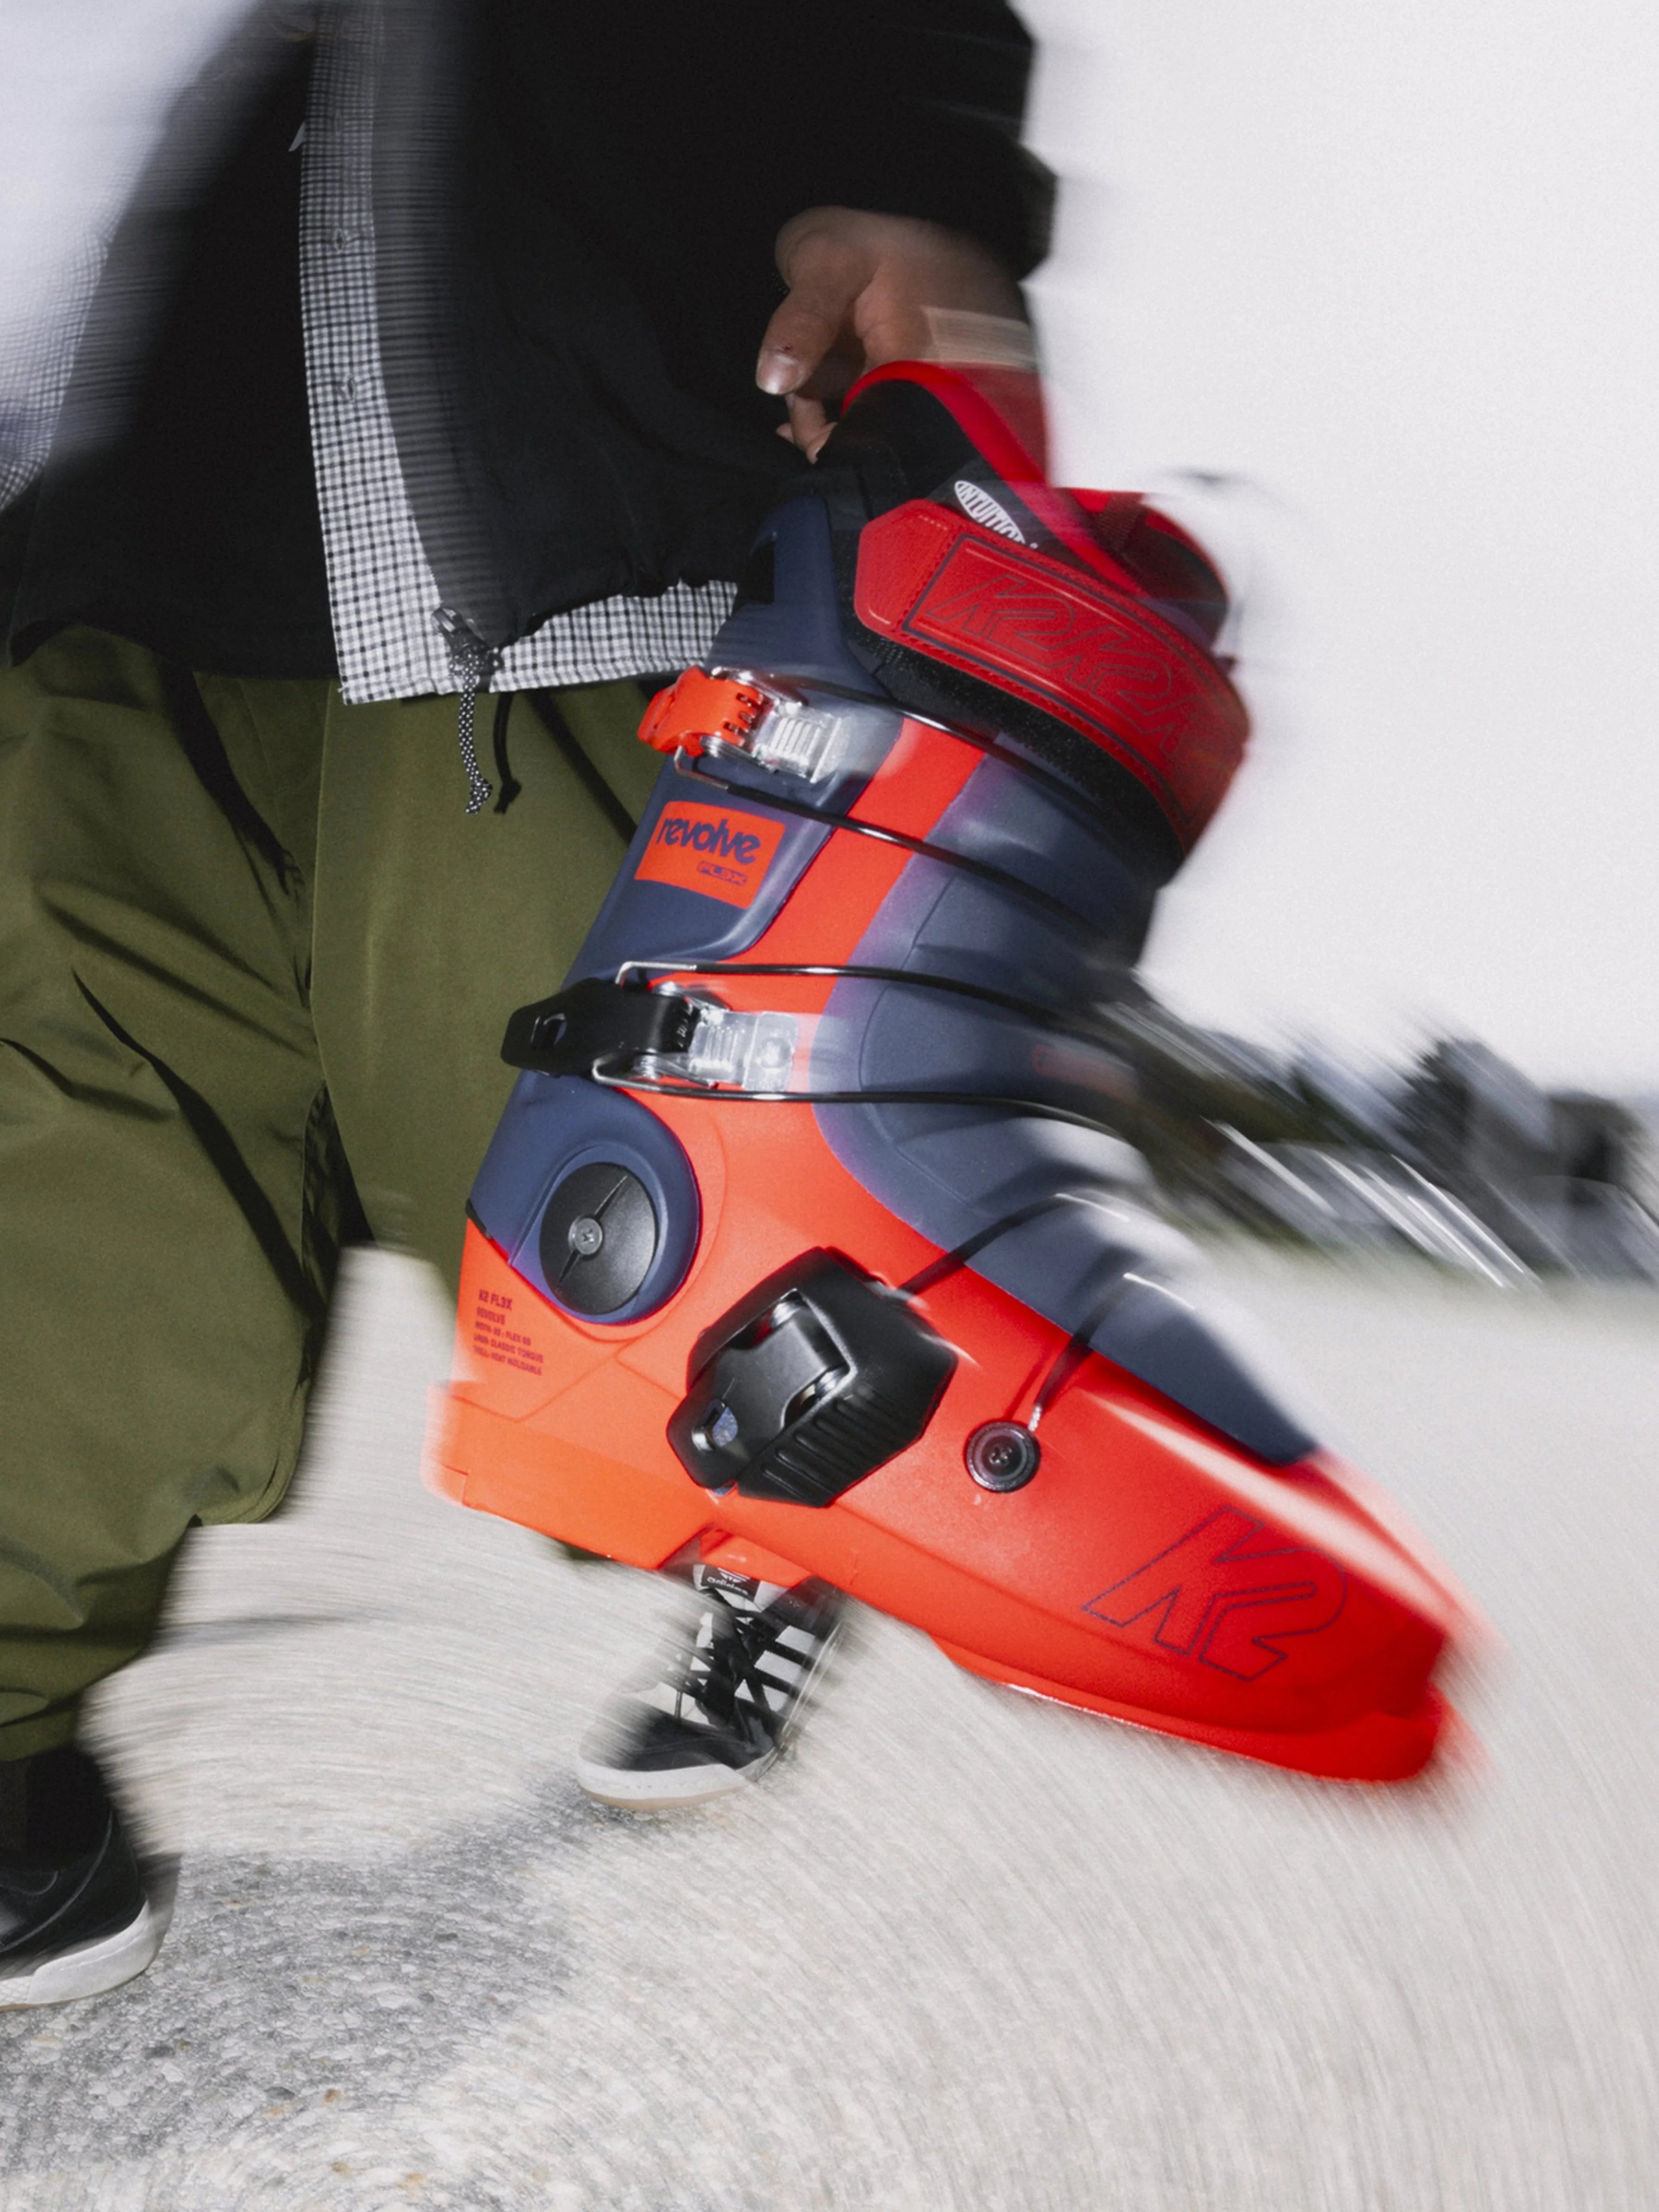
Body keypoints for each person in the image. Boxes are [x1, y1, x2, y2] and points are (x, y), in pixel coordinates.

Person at [0, 0, 1050, 2003]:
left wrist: (924, 172)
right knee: (72, 1149)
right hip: (142, 509)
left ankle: (757, 1545)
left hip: (546, 494)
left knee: (588, 1198)